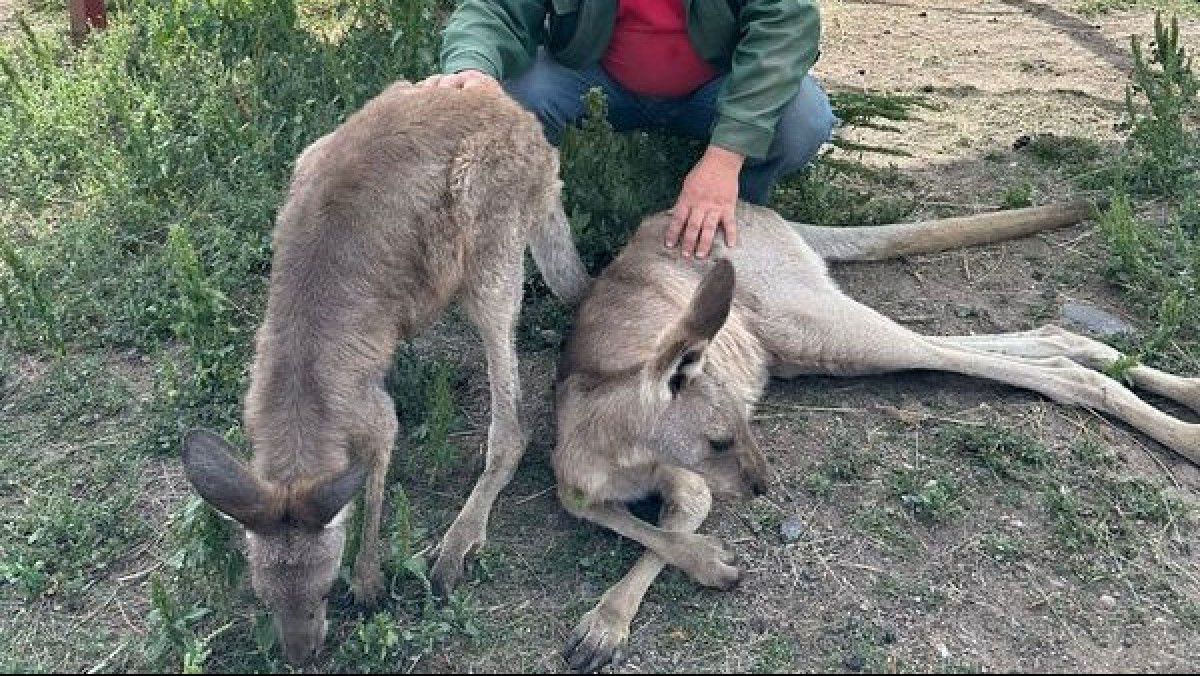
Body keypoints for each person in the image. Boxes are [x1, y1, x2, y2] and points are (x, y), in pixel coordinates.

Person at [419, 0, 835, 261]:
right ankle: (530, 233)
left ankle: (733, 217)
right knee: (516, 97)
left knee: (800, 119)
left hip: (712, 87)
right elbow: (495, 9)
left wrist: (725, 158)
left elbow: (785, 28)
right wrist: (471, 67)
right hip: (600, 80)